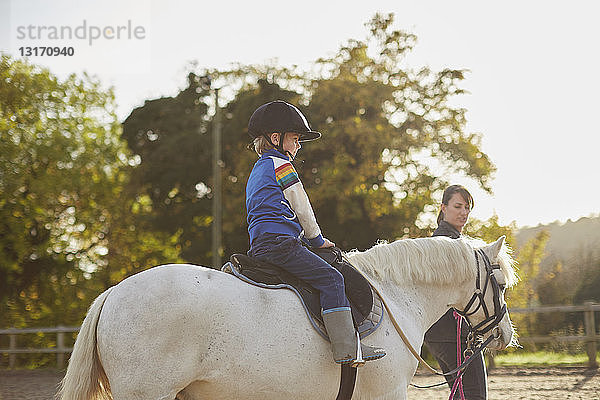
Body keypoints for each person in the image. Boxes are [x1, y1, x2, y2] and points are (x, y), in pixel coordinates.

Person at [244, 100, 385, 366]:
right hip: (282, 244)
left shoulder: (256, 170)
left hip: (259, 244)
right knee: (332, 279)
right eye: (295, 139)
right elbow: (302, 208)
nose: (298, 145)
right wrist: (317, 240)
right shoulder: (282, 165)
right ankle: (347, 348)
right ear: (276, 138)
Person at [424, 184, 488, 399]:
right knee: (474, 395)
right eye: (458, 206)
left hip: (445, 333)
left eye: (467, 207)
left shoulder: (452, 241)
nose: (464, 212)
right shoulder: (445, 243)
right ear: (443, 207)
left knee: (463, 393)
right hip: (452, 332)